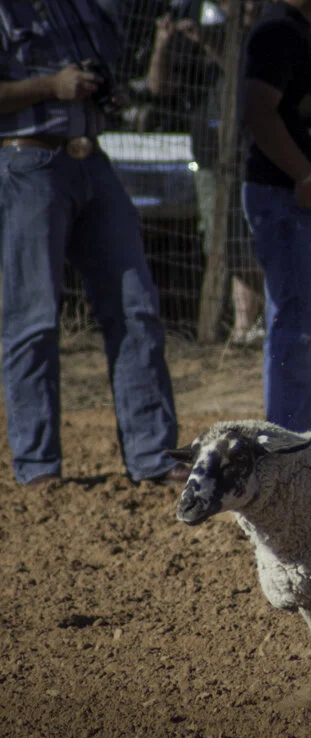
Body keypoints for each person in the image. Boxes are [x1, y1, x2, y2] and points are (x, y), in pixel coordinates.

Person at [0, 0, 185, 487]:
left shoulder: (78, 5)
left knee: (136, 306)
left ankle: (153, 455)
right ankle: (38, 467)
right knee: (33, 318)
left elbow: (113, 70)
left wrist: (108, 92)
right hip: (26, 164)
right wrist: (51, 87)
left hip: (92, 162)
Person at [240, 0, 311, 432]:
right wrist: (305, 175)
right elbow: (258, 111)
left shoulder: (296, 31)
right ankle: (289, 442)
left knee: (301, 325)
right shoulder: (278, 31)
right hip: (288, 199)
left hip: (300, 199)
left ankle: (293, 435)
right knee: (295, 324)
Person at [145, 0, 266, 345]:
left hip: (251, 153)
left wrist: (210, 44)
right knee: (219, 239)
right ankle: (239, 326)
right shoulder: (196, 31)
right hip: (210, 157)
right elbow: (158, 88)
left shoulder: (261, 35)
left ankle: (249, 324)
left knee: (248, 241)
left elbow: (242, 75)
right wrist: (163, 42)